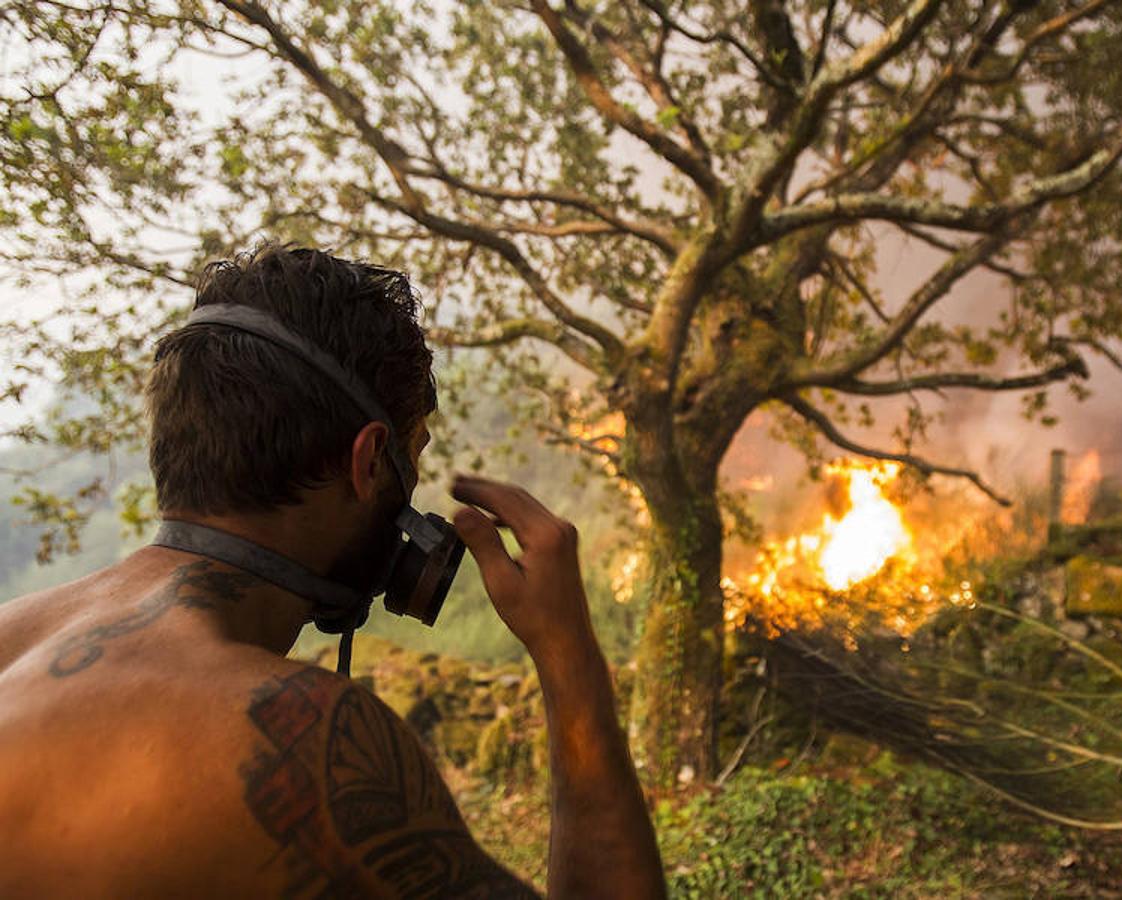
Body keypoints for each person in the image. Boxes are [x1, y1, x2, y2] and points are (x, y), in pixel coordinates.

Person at [0, 245, 665, 898]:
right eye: (413, 459)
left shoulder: (11, 634)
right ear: (369, 460)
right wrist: (568, 652)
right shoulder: (301, 739)